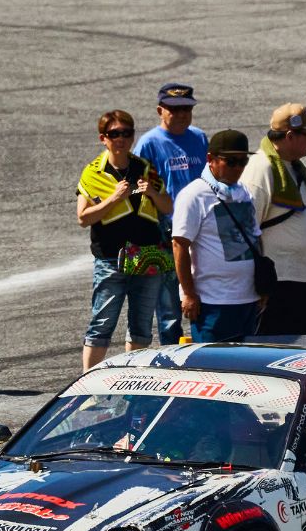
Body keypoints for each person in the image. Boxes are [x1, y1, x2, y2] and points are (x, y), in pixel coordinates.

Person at [77, 110, 171, 369]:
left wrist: (153, 193)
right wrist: (114, 199)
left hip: (147, 256)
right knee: (102, 324)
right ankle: (87, 380)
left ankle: (132, 379)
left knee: (141, 326)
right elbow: (83, 218)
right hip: (111, 259)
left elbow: (167, 206)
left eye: (126, 133)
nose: (121, 138)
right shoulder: (93, 173)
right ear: (103, 138)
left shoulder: (145, 168)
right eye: (114, 134)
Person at [133, 83, 209, 343]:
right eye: (174, 110)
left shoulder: (199, 138)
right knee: (169, 310)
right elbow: (136, 189)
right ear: (160, 111)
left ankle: (204, 352)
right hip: (166, 233)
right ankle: (171, 356)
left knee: (203, 296)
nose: (181, 115)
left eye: (186, 109)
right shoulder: (149, 144)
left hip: (201, 230)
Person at [242, 104, 306, 335]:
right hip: (277, 283)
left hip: (300, 279)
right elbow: (247, 230)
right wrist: (259, 285)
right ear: (290, 136)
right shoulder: (261, 169)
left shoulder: (293, 167)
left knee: (302, 349)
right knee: (274, 348)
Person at [171, 130, 262, 343]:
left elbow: (256, 238)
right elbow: (179, 245)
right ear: (210, 159)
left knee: (247, 361)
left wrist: (262, 286)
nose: (238, 168)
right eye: (231, 162)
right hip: (213, 302)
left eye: (243, 161)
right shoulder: (194, 195)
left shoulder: (244, 193)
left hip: (248, 298)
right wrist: (189, 294)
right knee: (214, 361)